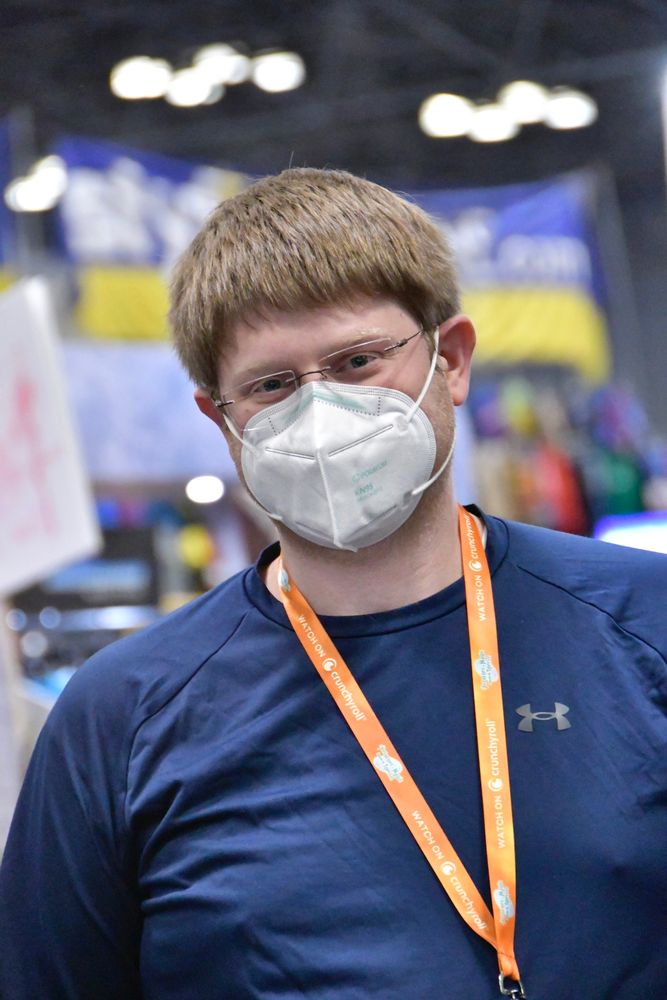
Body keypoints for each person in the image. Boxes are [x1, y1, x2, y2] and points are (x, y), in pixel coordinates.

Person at [1, 168, 666, 1000]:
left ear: (450, 361)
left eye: (356, 361)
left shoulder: (645, 624)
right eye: (272, 385)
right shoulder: (120, 719)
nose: (321, 415)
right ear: (222, 420)